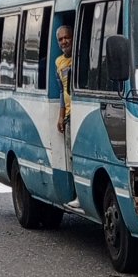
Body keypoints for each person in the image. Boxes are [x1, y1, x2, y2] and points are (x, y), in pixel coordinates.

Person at [55, 25, 79, 209]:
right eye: (60, 39)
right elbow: (62, 91)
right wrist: (61, 116)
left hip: (82, 110)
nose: (64, 41)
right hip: (70, 115)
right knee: (72, 156)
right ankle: (78, 194)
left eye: (67, 37)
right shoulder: (59, 63)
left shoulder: (80, 57)